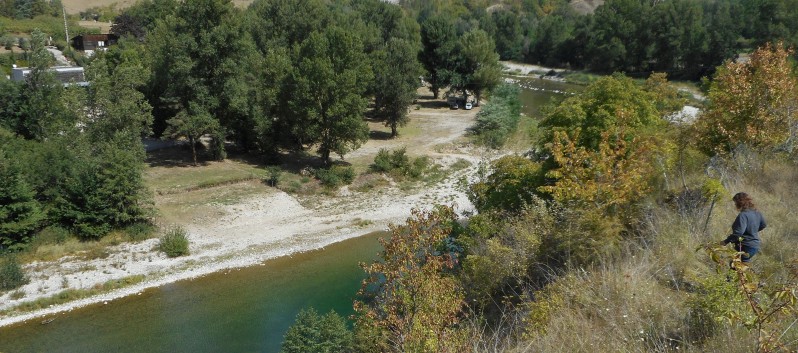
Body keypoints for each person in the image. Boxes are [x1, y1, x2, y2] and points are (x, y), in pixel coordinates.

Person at [722, 192, 767, 262]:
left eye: (735, 202)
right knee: (741, 265)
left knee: (736, 266)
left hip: (745, 246)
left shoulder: (743, 215)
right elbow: (763, 225)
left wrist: (725, 241)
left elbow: (738, 233)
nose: (735, 204)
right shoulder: (757, 213)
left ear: (739, 202)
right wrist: (752, 231)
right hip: (755, 246)